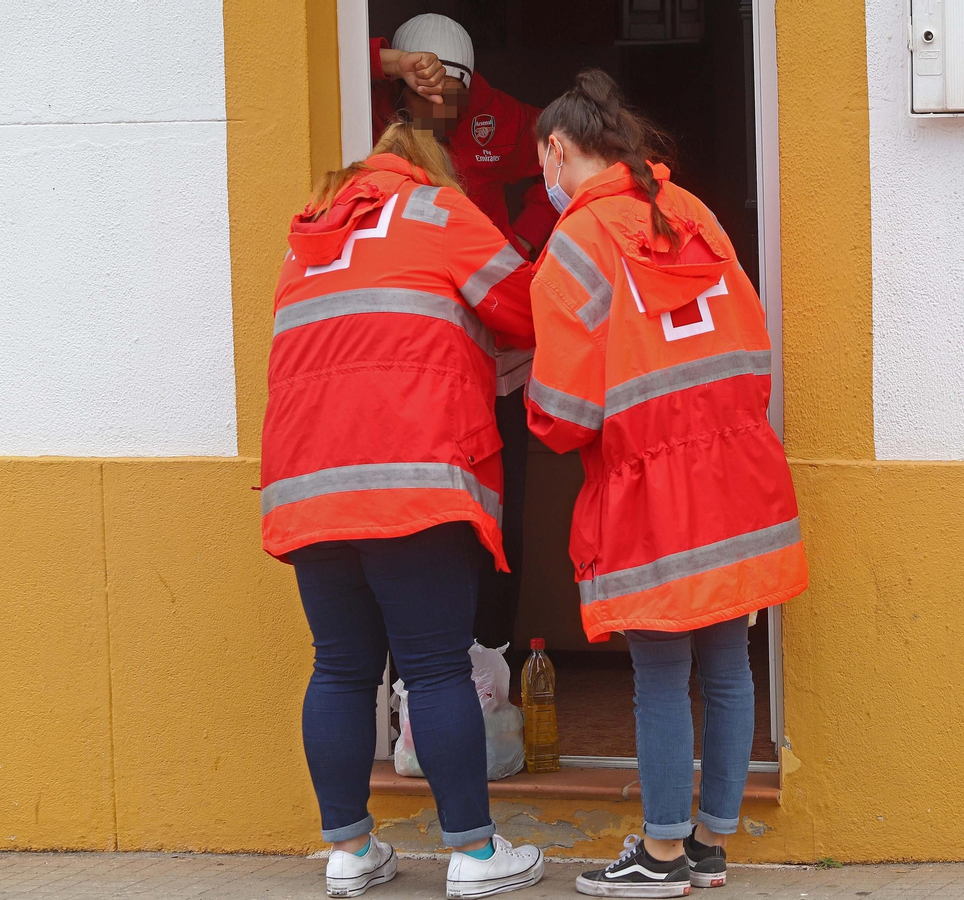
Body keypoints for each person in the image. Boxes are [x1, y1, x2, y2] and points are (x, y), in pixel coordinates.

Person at [524, 70, 809, 898]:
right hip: (738, 471)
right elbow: (751, 344)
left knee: (658, 674)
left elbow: (563, 414)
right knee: (727, 663)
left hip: (650, 489)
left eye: (543, 163)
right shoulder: (694, 213)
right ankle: (710, 846)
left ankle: (659, 854)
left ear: (557, 149)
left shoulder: (574, 245)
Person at [260, 120, 545, 900]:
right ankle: (475, 854)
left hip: (310, 484)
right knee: (436, 666)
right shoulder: (436, 211)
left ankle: (350, 852)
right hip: (411, 477)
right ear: (429, 168)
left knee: (340, 667)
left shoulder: (306, 242)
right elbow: (526, 308)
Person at [370, 13, 552, 666]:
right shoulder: (367, 109)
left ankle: (492, 656)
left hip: (497, 340)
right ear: (399, 92)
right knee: (429, 508)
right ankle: (425, 666)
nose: (445, 110)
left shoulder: (498, 114)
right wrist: (393, 61)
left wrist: (521, 241)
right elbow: (335, 62)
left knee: (501, 511)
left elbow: (569, 154)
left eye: (456, 95)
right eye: (429, 95)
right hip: (420, 351)